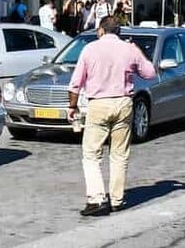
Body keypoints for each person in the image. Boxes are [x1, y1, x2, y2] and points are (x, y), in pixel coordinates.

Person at [67, 16, 156, 216]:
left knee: (91, 154)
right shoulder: (129, 49)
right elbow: (150, 73)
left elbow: (75, 82)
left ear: (101, 30)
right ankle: (117, 199)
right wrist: (138, 51)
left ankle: (97, 199)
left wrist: (72, 106)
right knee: (119, 154)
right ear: (118, 32)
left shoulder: (90, 49)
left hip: (98, 104)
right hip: (124, 102)